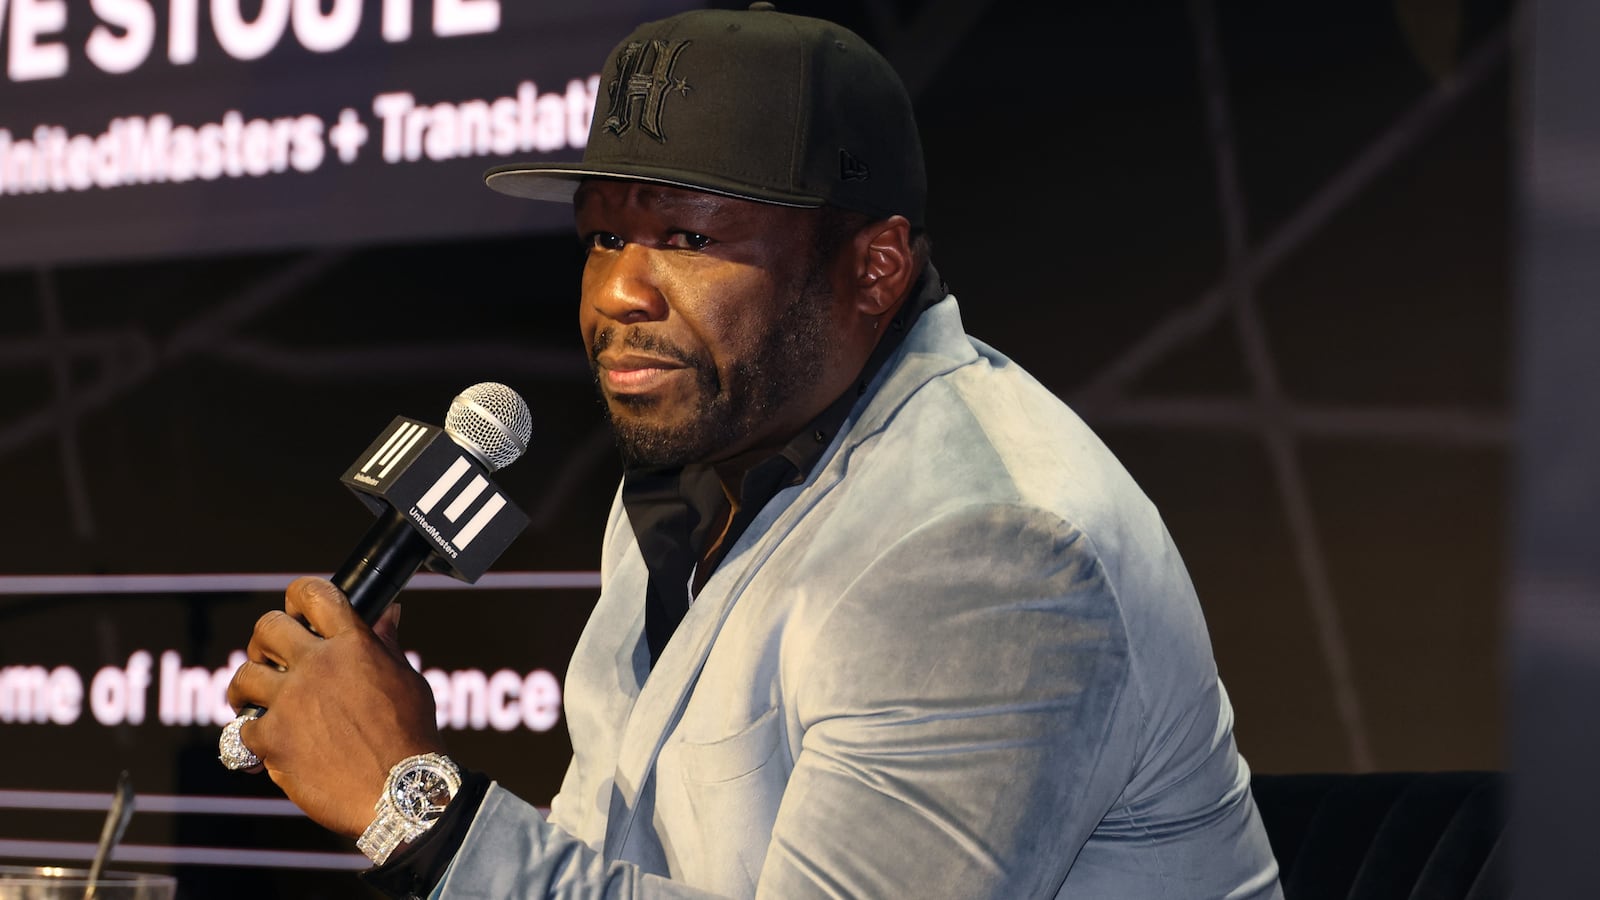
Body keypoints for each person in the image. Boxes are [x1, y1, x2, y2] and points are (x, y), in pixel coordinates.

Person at [222, 4, 1284, 897]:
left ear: (871, 270)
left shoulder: (988, 547)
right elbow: (611, 858)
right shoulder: (697, 471)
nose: (620, 294)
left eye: (688, 240)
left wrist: (415, 804)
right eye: (604, 236)